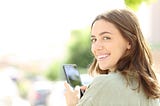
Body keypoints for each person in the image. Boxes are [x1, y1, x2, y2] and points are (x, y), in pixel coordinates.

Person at [64, 8, 160, 106]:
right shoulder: (151, 89)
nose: (96, 47)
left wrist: (72, 104)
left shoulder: (104, 84)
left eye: (106, 38)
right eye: (94, 39)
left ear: (129, 42)